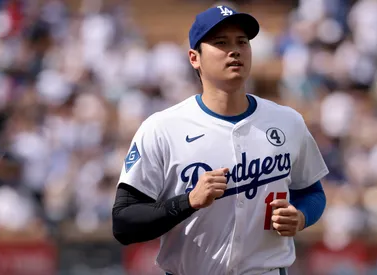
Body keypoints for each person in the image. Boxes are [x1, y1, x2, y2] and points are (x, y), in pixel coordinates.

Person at [112, 5, 328, 275]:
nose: (234, 50)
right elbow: (124, 222)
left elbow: (312, 192)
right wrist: (188, 201)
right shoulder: (163, 128)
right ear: (194, 58)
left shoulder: (288, 121)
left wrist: (301, 216)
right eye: (221, 43)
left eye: (242, 42)